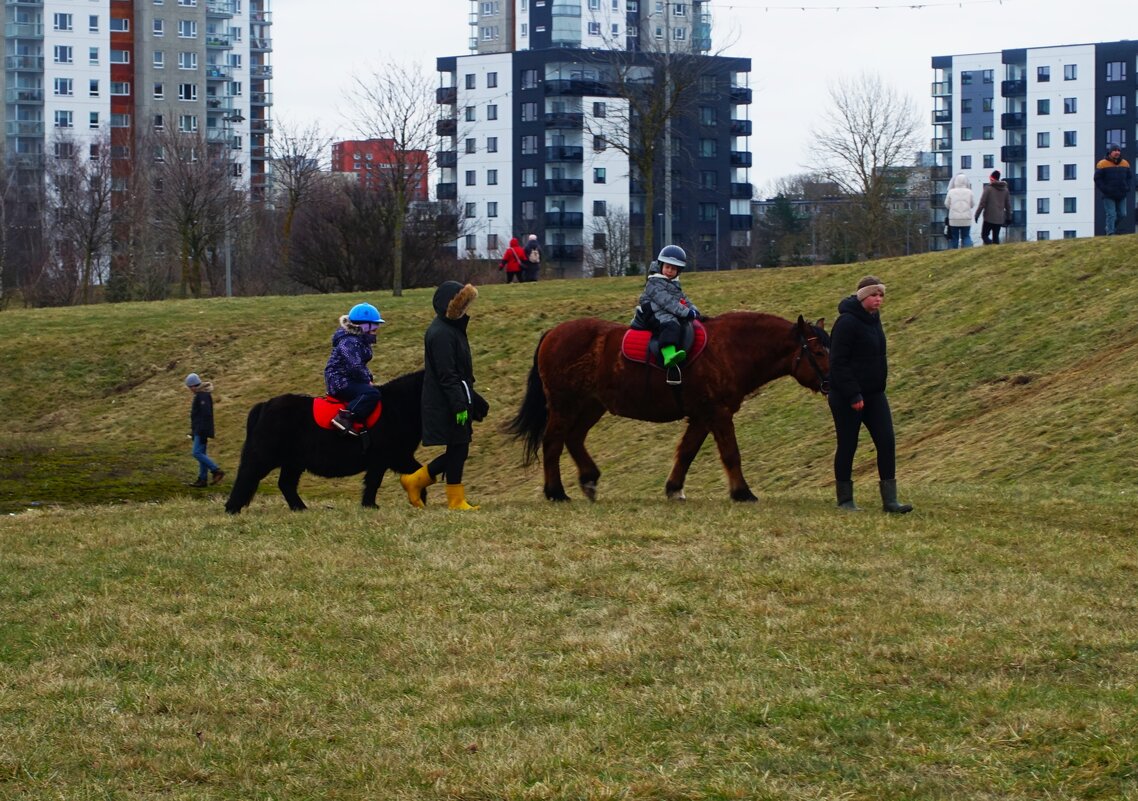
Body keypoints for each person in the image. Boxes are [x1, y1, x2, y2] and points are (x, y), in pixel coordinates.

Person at [827, 276, 913, 514]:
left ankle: (890, 500)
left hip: (875, 394)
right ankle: (845, 500)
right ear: (863, 297)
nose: (878, 299)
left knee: (886, 441)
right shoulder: (846, 322)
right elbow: (838, 363)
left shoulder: (874, 319)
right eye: (874, 295)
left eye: (881, 295)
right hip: (847, 396)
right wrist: (853, 394)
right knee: (848, 444)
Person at [400, 281, 483, 511]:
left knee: (459, 447)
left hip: (454, 398)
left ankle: (416, 481)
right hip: (445, 402)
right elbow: (447, 375)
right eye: (461, 304)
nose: (465, 309)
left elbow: (460, 373)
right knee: (459, 447)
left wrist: (473, 398)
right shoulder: (441, 334)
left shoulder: (451, 330)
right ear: (450, 306)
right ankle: (450, 498)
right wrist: (459, 405)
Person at [630, 245, 701, 379]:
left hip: (661, 308)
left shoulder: (673, 284)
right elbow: (667, 301)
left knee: (679, 321)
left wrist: (694, 310)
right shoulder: (654, 282)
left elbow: (682, 299)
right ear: (661, 265)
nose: (669, 271)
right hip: (651, 309)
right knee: (670, 323)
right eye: (667, 267)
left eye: (673, 269)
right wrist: (686, 312)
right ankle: (668, 354)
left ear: (678, 271)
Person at [324, 302, 384, 436]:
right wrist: (367, 380)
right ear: (363, 326)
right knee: (372, 394)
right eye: (374, 328)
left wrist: (368, 378)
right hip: (339, 381)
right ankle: (345, 418)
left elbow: (359, 366)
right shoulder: (349, 341)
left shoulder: (359, 340)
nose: (376, 331)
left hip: (348, 378)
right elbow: (355, 366)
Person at [185, 372, 224, 488]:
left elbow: (205, 415)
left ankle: (216, 470)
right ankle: (202, 479)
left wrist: (200, 431)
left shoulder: (202, 396)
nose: (189, 390)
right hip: (200, 429)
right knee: (201, 453)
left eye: (189, 387)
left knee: (196, 453)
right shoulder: (201, 395)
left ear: (193, 386)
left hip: (202, 430)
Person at [1093, 143, 1134, 236]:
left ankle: (1110, 227)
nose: (1117, 152)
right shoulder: (1102, 163)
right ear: (1110, 152)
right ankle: (1110, 232)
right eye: (1115, 150)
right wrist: (1105, 189)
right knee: (1111, 214)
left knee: (1123, 214)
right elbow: (1097, 179)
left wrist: (1127, 187)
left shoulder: (1125, 163)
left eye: (1118, 150)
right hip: (1108, 194)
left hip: (1121, 194)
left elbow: (1129, 177)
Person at [974, 170, 1012, 245]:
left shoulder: (988, 189)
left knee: (984, 235)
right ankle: (996, 250)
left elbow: (982, 203)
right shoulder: (1005, 190)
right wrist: (1008, 218)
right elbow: (1008, 206)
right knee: (996, 237)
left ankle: (991, 246)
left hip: (989, 217)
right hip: (999, 218)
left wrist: (977, 215)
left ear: (992, 179)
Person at [944, 173, 975, 249]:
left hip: (954, 219)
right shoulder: (969, 192)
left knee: (954, 238)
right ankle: (967, 252)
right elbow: (972, 204)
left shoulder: (951, 192)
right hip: (966, 218)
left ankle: (953, 254)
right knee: (966, 236)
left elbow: (946, 204)